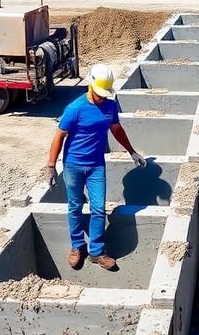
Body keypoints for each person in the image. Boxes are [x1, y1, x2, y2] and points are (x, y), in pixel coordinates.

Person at [46, 63, 147, 271]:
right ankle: (77, 247)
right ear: (90, 85)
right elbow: (59, 137)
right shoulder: (75, 108)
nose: (102, 98)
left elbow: (117, 130)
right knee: (75, 206)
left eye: (104, 94)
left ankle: (97, 252)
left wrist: (132, 151)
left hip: (96, 166)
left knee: (98, 208)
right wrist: (50, 165)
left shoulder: (110, 107)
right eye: (99, 94)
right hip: (73, 165)